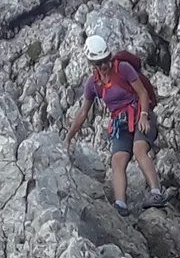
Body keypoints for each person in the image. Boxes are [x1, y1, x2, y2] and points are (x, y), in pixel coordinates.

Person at [65, 33, 163, 211]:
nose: (104, 65)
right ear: (92, 64)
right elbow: (83, 112)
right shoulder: (93, 84)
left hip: (140, 113)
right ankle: (120, 204)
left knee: (139, 150)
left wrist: (143, 116)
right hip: (121, 123)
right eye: (99, 63)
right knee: (117, 160)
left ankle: (156, 192)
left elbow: (142, 93)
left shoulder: (123, 69)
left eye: (106, 60)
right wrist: (68, 137)